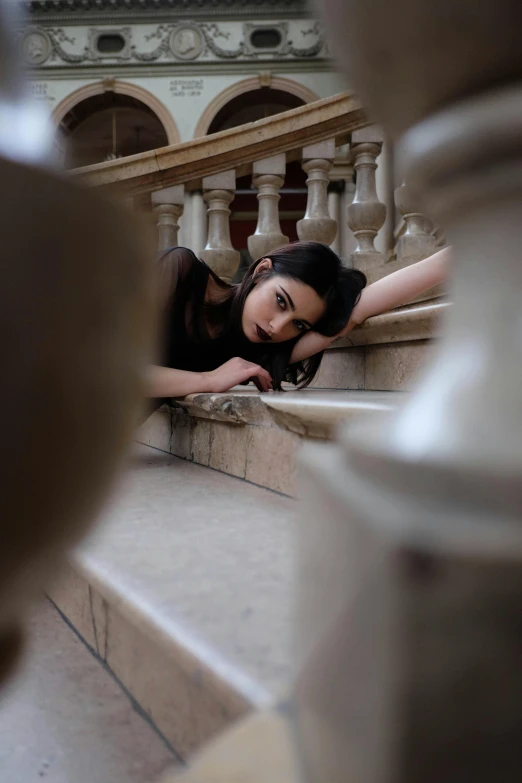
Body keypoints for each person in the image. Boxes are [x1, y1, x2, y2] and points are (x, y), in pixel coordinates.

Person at [146, 241, 449, 399]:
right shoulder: (180, 271)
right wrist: (208, 380)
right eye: (280, 301)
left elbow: (359, 309)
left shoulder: (261, 350)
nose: (278, 327)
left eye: (299, 324)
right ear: (262, 270)